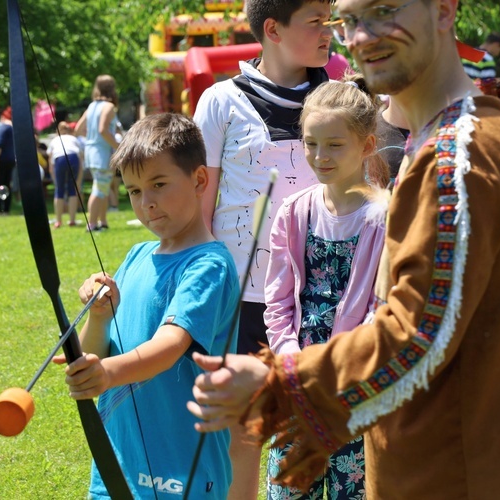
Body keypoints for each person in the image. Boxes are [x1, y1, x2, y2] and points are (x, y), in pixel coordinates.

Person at [188, 0, 500, 498]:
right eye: (348, 21)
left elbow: (417, 334)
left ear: (445, 10)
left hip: (462, 472)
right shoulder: (453, 138)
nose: (362, 36)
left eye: (384, 11)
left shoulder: (457, 157)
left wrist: (281, 380)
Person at [52, 113, 240, 498]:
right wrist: (100, 318)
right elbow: (92, 354)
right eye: (134, 191)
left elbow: (169, 347)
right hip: (117, 468)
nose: (147, 202)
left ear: (200, 180)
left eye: (158, 184)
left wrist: (107, 373)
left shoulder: (209, 265)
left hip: (183, 471)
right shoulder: (137, 256)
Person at [192, 1, 334, 496]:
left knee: (318, 430)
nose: (329, 30)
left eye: (331, 17)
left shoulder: (342, 98)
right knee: (247, 431)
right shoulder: (220, 101)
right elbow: (200, 209)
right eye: (316, 20)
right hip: (245, 302)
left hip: (322, 299)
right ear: (272, 29)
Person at [263, 76, 389, 499]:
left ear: (367, 145)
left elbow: (379, 308)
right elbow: (277, 302)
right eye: (311, 143)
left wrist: (337, 372)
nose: (320, 155)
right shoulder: (292, 212)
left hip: (353, 387)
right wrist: (293, 364)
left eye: (335, 144)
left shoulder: (384, 218)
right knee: (290, 488)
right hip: (297, 382)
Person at [75, 75, 119, 231]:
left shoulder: (92, 106)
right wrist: (119, 147)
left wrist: (91, 139)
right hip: (102, 155)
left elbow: (77, 130)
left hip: (91, 153)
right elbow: (103, 130)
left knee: (103, 188)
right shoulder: (108, 107)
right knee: (99, 190)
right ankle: (92, 224)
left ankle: (103, 222)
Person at [46, 121, 83, 228]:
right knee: (72, 190)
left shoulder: (54, 140)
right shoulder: (73, 139)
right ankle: (72, 220)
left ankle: (58, 221)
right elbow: (81, 157)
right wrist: (79, 178)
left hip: (59, 159)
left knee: (59, 190)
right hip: (73, 158)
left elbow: (50, 159)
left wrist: (53, 175)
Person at [0, 107, 15, 215]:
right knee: (6, 185)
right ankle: (6, 210)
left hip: (0, 161)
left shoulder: (4, 128)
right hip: (10, 161)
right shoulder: (12, 129)